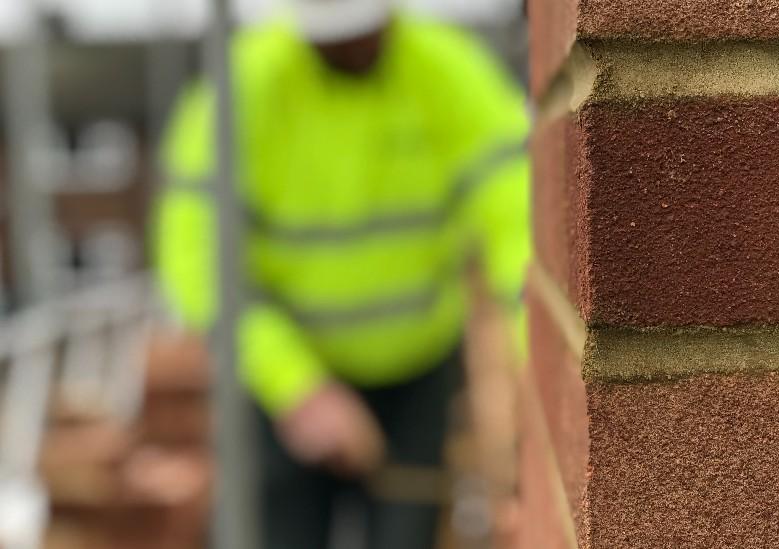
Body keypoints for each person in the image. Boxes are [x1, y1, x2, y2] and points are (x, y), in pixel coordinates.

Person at [153, 0, 530, 547]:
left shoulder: (448, 73)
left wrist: (536, 357)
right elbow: (196, 263)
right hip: (286, 383)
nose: (349, 48)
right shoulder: (246, 88)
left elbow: (516, 221)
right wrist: (296, 386)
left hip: (416, 379)